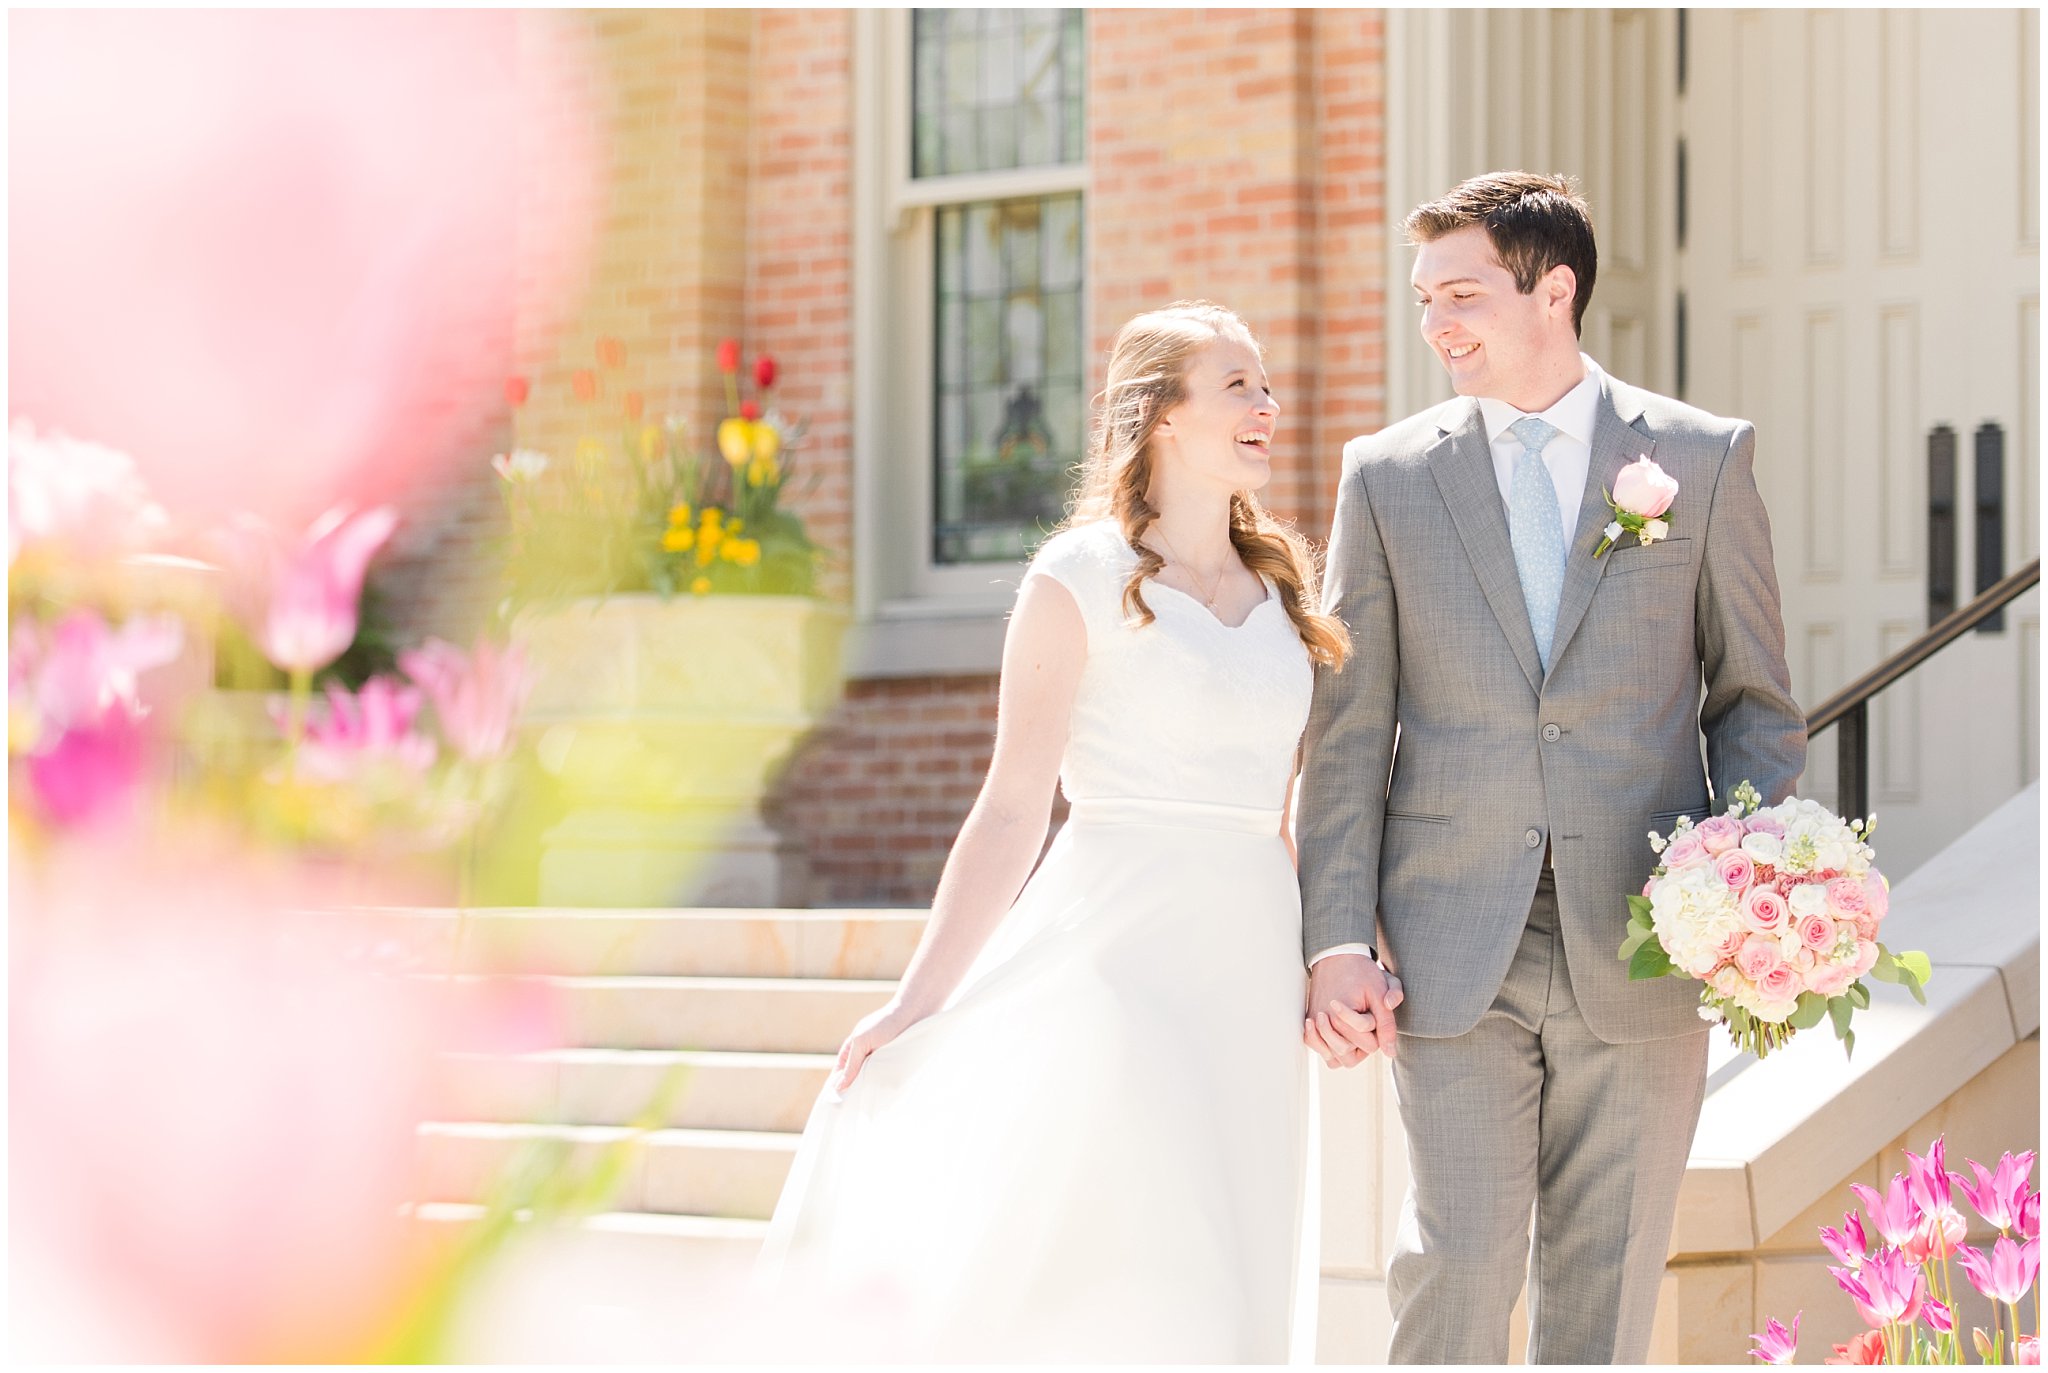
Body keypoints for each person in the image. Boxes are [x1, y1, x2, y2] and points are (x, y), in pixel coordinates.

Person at [757, 302, 1362, 1362]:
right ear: (1162, 415)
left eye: (1265, 385)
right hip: (1119, 946)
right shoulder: (1074, 578)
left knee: (1237, 1242)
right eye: (1236, 386)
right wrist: (917, 995)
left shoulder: (1282, 590)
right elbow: (1009, 803)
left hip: (1250, 956)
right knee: (1154, 1234)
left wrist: (1330, 954)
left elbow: (1295, 807)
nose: (1267, 405)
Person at [1296, 172, 1806, 1363]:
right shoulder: (1385, 475)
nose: (1436, 324)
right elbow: (1347, 727)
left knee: (1603, 1290)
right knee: (1455, 1274)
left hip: (1641, 939)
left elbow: (1755, 706)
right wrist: (1332, 935)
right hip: (1446, 948)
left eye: (1460, 294)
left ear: (1553, 289)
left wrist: (1736, 885)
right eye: (1423, 298)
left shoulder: (1697, 458)